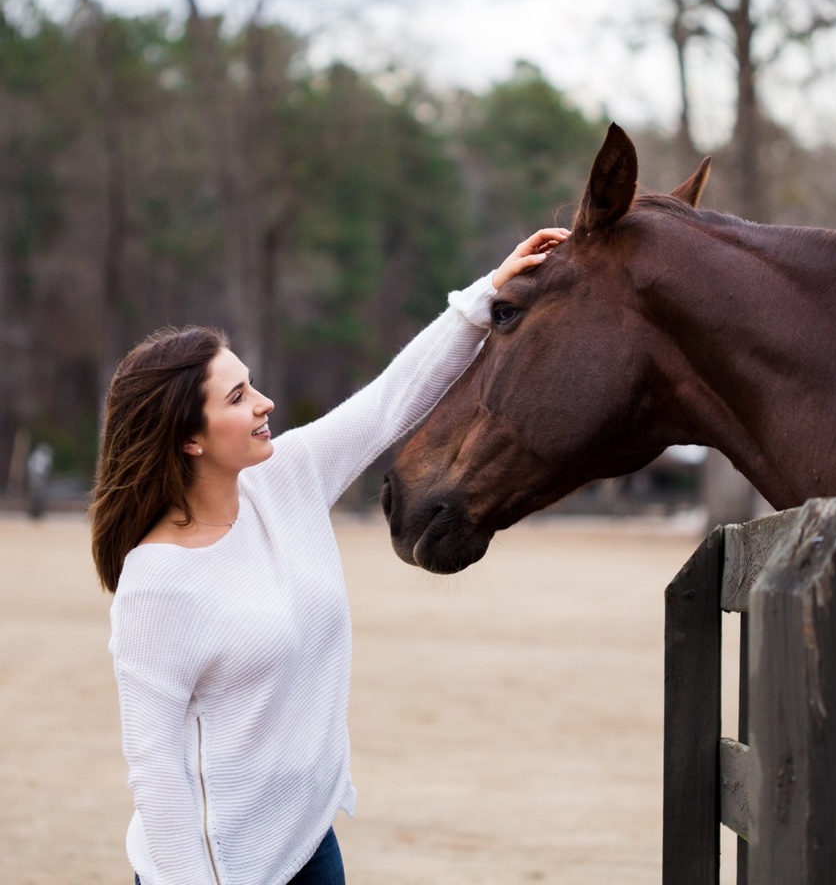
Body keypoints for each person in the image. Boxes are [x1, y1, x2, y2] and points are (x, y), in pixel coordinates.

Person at [89, 227, 569, 885]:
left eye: (251, 385)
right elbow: (155, 770)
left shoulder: (285, 478)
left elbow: (388, 401)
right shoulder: (157, 583)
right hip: (222, 866)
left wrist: (488, 295)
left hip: (310, 840)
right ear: (189, 439)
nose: (265, 404)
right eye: (237, 398)